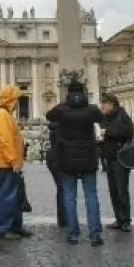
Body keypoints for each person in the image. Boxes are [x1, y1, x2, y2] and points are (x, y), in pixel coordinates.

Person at [45, 81, 105, 246]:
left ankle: (73, 234)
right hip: (88, 156)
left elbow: (49, 116)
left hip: (68, 158)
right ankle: (95, 234)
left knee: (69, 197)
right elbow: (101, 118)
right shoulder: (92, 110)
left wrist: (65, 105)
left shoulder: (62, 109)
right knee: (91, 195)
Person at [0, 85, 29, 240]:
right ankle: (3, 227)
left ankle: (15, 226)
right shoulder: (3, 115)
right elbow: (5, 141)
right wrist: (14, 161)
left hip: (9, 162)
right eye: (16, 98)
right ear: (10, 99)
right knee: (6, 196)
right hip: (5, 163)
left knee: (15, 195)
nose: (18, 102)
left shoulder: (5, 114)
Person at [97, 93, 134, 232]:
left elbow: (128, 131)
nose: (103, 106)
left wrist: (107, 132)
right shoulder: (103, 118)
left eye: (105, 103)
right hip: (108, 157)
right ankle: (118, 218)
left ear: (112, 104)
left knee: (122, 190)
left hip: (121, 157)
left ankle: (126, 220)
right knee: (113, 190)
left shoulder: (122, 115)